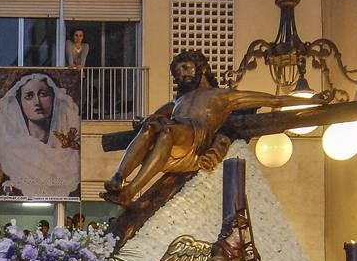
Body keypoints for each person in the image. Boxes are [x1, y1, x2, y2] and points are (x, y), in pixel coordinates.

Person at [103, 51, 319, 209]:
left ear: (202, 68)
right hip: (172, 146)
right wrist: (144, 121)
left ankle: (130, 192)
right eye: (178, 72)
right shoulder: (178, 101)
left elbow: (275, 99)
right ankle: (118, 179)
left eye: (186, 67)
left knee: (167, 130)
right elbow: (153, 119)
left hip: (196, 141)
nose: (181, 74)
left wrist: (313, 102)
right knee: (152, 126)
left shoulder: (223, 95)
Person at [0, 71, 82, 199]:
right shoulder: (6, 147)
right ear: (19, 103)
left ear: (54, 99)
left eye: (43, 94)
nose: (37, 102)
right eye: (29, 96)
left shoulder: (70, 150)